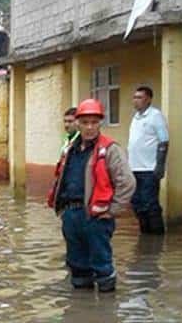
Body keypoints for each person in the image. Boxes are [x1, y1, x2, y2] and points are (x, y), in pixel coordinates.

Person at [47, 98, 136, 292]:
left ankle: (105, 314)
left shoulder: (110, 150)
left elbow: (127, 182)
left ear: (100, 123)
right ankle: (82, 314)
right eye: (85, 122)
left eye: (94, 122)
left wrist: (113, 210)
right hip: (71, 215)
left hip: (96, 217)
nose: (89, 127)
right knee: (77, 267)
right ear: (77, 123)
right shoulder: (70, 148)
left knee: (102, 265)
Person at [127, 85, 171, 234]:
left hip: (149, 169)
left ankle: (157, 237)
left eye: (139, 97)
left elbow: (164, 141)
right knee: (136, 203)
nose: (135, 101)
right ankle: (145, 236)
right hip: (134, 169)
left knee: (149, 204)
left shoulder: (155, 116)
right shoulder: (136, 118)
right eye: (134, 97)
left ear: (149, 99)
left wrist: (160, 165)